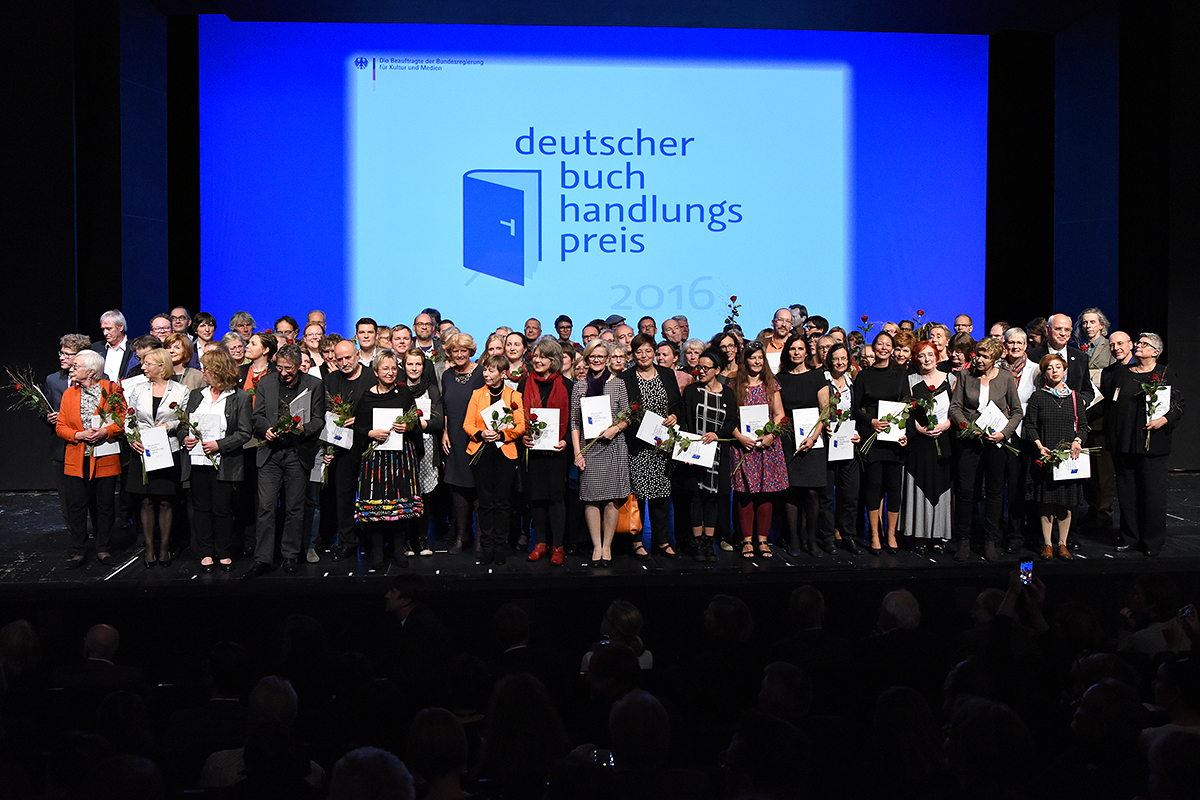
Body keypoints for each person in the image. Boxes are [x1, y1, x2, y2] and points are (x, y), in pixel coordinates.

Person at [246, 344, 326, 578]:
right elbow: (257, 415)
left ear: (299, 366)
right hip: (270, 453)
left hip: (296, 452)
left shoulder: (314, 385)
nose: (283, 372)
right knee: (266, 507)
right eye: (279, 367)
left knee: (294, 507)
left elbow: (320, 419)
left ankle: (291, 555)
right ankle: (263, 558)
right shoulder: (267, 383)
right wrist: (266, 429)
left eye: (288, 368)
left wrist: (304, 429)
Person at [1101, 332, 1185, 557]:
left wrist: (1163, 420)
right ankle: (1130, 537)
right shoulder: (1122, 373)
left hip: (1152, 444)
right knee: (1127, 494)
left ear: (1155, 352)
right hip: (1124, 442)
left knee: (1152, 494)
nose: (1138, 346)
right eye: (1138, 343)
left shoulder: (1165, 374)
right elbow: (1112, 403)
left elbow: (1178, 406)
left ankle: (1152, 540)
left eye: (1144, 344)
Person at [949, 336, 1023, 562]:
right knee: (965, 491)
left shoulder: (1005, 378)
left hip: (995, 443)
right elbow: (955, 407)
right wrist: (968, 427)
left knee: (994, 492)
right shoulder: (964, 376)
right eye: (978, 355)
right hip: (970, 441)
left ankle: (990, 539)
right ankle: (964, 540)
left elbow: (1017, 411)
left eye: (984, 356)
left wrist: (1004, 433)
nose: (979, 359)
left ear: (996, 359)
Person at [183, 350, 253, 572]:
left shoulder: (239, 397)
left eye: (207, 369)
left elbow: (244, 433)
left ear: (219, 371)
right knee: (201, 508)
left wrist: (219, 445)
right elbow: (185, 424)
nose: (203, 372)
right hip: (197, 462)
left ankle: (223, 551)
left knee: (222, 508)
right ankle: (205, 552)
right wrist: (184, 436)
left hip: (224, 462)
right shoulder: (196, 395)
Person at [352, 350, 423, 567]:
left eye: (394, 368)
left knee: (399, 507)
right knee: (377, 506)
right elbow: (358, 428)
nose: (391, 373)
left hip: (400, 459)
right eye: (386, 369)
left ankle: (399, 550)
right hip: (375, 460)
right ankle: (377, 552)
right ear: (376, 372)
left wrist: (408, 426)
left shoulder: (403, 395)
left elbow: (415, 425)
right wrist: (370, 433)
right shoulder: (367, 397)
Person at [56, 350, 124, 569]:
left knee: (104, 505)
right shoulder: (69, 394)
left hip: (104, 456)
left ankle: (103, 547)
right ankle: (78, 549)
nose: (71, 369)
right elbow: (60, 426)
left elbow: (122, 419)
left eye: (76, 366)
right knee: (76, 504)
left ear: (91, 372)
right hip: (77, 457)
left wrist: (106, 432)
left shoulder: (112, 390)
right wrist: (78, 435)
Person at [124, 348, 190, 567]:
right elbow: (129, 417)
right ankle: (150, 548)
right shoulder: (138, 390)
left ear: (161, 366)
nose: (143, 367)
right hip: (142, 450)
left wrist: (168, 425)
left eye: (147, 364)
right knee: (145, 501)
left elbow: (183, 420)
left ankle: (164, 548)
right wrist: (131, 438)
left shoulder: (180, 390)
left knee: (164, 501)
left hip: (167, 450)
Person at [621, 333, 683, 559]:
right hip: (637, 446)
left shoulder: (666, 374)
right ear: (633, 354)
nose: (644, 356)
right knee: (637, 497)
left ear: (654, 352)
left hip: (662, 447)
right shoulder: (627, 377)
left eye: (648, 351)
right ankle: (636, 541)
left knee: (661, 497)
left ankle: (662, 541)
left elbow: (677, 404)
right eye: (639, 352)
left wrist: (675, 416)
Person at [571, 340, 632, 566]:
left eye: (601, 356)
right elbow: (574, 422)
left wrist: (614, 429)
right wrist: (578, 453)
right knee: (590, 499)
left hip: (613, 446)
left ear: (607, 358)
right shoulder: (578, 386)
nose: (597, 360)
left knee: (611, 500)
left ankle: (607, 547)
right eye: (592, 356)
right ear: (587, 359)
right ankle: (596, 546)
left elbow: (628, 416)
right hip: (589, 449)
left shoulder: (618, 384)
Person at [1025, 353, 1089, 560]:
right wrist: (1039, 445)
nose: (1054, 371)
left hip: (1068, 457)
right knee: (1047, 503)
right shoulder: (1038, 397)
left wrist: (1078, 441)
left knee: (1066, 503)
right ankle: (1047, 544)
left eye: (1058, 367)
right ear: (1044, 373)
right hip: (1047, 455)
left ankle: (1062, 543)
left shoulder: (1075, 397)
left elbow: (1083, 427)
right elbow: (1030, 425)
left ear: (1064, 370)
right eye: (1050, 368)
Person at [465, 353, 526, 565]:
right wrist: (481, 434)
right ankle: (487, 545)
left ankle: (500, 546)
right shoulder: (477, 394)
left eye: (491, 370)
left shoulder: (513, 397)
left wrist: (502, 435)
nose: (486, 374)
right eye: (485, 369)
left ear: (502, 374)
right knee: (485, 502)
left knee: (501, 502)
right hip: (481, 452)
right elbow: (468, 425)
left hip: (504, 453)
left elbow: (520, 426)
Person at [729, 340, 788, 560]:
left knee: (765, 494)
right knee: (744, 494)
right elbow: (729, 419)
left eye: (760, 358)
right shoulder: (734, 386)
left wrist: (772, 435)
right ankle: (746, 541)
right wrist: (739, 437)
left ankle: (762, 540)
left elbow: (780, 415)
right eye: (752, 357)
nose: (756, 361)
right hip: (743, 446)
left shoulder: (771, 383)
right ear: (745, 360)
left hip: (767, 447)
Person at [775, 333, 830, 556]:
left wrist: (814, 437)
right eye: (792, 349)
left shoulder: (818, 377)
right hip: (788, 440)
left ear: (807, 352)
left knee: (812, 492)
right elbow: (778, 411)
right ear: (787, 352)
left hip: (813, 439)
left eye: (800, 349)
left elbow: (825, 410)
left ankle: (811, 538)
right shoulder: (780, 378)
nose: (796, 353)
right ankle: (794, 539)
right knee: (791, 492)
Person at [855, 332, 910, 555]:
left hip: (894, 438)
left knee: (894, 488)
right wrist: (871, 421)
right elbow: (856, 409)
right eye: (880, 344)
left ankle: (891, 534)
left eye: (888, 345)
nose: (884, 348)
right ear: (873, 347)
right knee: (874, 487)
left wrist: (905, 432)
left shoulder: (900, 373)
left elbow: (907, 403)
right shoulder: (864, 376)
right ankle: (875, 535)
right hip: (873, 437)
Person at [681, 349, 737, 562]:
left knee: (712, 498)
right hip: (695, 451)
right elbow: (685, 419)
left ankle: (709, 543)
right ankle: (697, 544)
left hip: (717, 452)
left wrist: (717, 434)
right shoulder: (692, 391)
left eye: (706, 368)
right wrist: (688, 445)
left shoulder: (727, 393)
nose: (701, 371)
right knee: (695, 497)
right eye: (699, 368)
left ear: (717, 370)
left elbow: (731, 421)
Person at [521, 337, 572, 565]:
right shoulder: (524, 384)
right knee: (536, 499)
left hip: (557, 452)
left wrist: (567, 442)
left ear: (555, 360)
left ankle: (558, 546)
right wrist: (522, 434)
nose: (538, 360)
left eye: (544, 357)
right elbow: (517, 418)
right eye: (536, 356)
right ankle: (540, 543)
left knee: (556, 499)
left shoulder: (568, 386)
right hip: (533, 451)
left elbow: (575, 421)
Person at [901, 341, 955, 551]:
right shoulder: (910, 380)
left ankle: (938, 535)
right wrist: (919, 429)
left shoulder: (951, 379)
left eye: (930, 355)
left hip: (944, 440)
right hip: (920, 443)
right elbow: (905, 410)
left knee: (941, 484)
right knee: (920, 483)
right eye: (921, 356)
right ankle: (920, 535)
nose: (927, 359)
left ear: (937, 356)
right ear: (916, 359)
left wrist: (946, 424)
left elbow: (956, 408)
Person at [439, 333, 485, 555]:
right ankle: (461, 536)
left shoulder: (480, 373)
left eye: (463, 351)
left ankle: (479, 539)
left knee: (477, 487)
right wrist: (445, 432)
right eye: (455, 351)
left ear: (470, 351)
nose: (459, 355)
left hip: (476, 437)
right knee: (457, 487)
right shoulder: (447, 376)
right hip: (454, 437)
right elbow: (445, 407)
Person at [820, 343, 864, 554]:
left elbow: (858, 413)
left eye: (843, 359)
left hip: (848, 444)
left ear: (849, 361)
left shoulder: (852, 383)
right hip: (827, 444)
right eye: (836, 358)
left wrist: (858, 434)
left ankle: (848, 535)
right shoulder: (822, 381)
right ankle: (828, 537)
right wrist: (824, 428)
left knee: (850, 493)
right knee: (827, 495)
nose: (840, 362)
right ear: (830, 360)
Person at [1000, 326, 1040, 554]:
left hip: (1025, 433)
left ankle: (1026, 533)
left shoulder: (1035, 370)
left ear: (1026, 345)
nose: (1014, 347)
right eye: (1010, 343)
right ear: (1005, 345)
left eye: (1019, 343)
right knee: (1006, 487)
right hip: (1000, 432)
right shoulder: (996, 367)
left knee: (1026, 485)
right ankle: (1008, 533)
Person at [402, 347, 443, 558]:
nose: (414, 368)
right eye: (410, 364)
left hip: (426, 449)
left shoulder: (432, 389)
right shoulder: (399, 388)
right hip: (403, 447)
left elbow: (439, 421)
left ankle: (422, 538)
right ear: (404, 365)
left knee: (424, 496)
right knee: (407, 495)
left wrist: (419, 424)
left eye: (418, 364)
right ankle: (407, 541)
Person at [1029, 313, 1094, 406]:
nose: (1063, 334)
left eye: (1067, 330)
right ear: (1047, 330)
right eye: (1058, 329)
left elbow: (1087, 391)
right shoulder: (1032, 356)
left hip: (1071, 415)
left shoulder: (1081, 357)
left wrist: (1080, 403)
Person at [581, 601, 652, 671]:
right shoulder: (646, 656)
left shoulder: (591, 659)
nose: (603, 619)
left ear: (615, 629)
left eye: (606, 616)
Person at [93, 309, 135, 382]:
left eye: (109, 329)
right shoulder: (96, 348)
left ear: (121, 327)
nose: (105, 333)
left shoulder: (133, 348)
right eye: (103, 329)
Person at [1075, 308, 1115, 384]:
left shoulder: (1109, 346)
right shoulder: (1079, 348)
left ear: (1101, 325)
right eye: (1085, 323)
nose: (1088, 326)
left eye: (1092, 322)